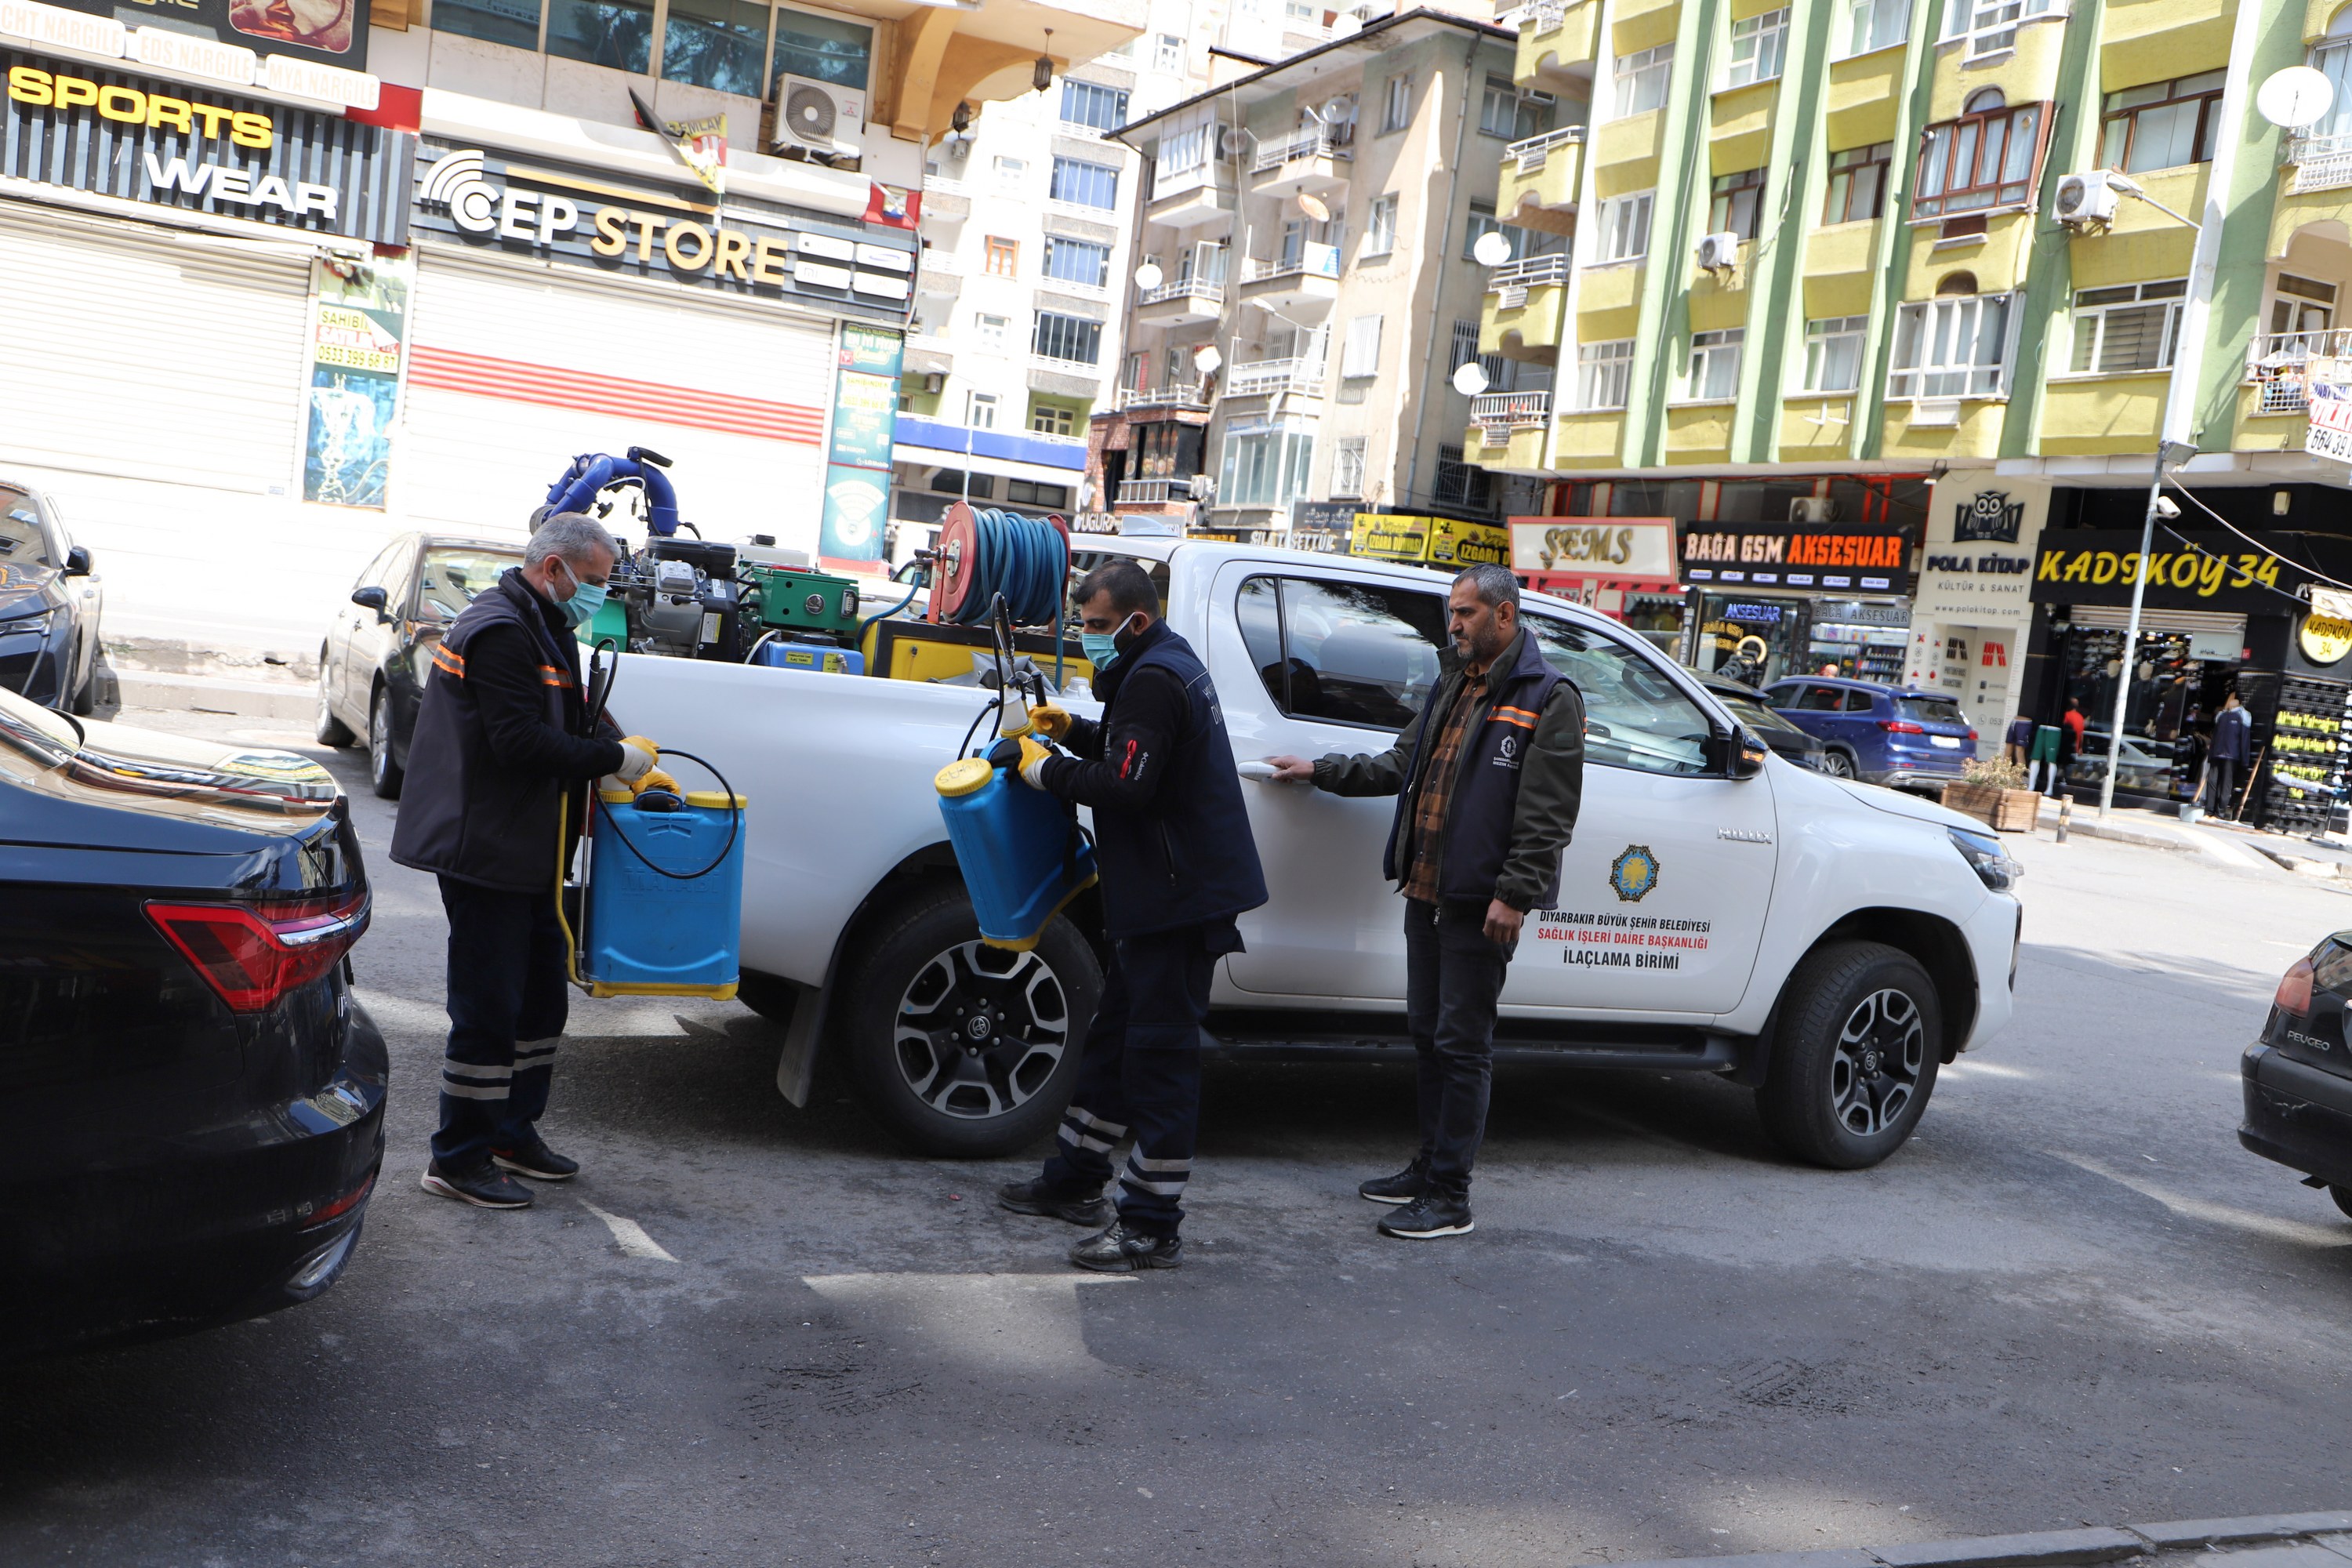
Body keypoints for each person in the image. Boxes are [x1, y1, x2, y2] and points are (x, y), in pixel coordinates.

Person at [1265, 564, 1584, 1240]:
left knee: (1463, 1047)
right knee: (1429, 1038)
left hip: (1479, 901)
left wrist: (1515, 895)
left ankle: (1450, 1196)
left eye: (1466, 613)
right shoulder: (1453, 682)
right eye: (1453, 612)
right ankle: (1429, 1166)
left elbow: (1549, 817)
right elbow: (1399, 765)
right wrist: (1320, 770)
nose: (1454, 624)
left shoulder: (1548, 696)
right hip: (1427, 890)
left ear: (1504, 615)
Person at [994, 559, 1268, 1272]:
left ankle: (1151, 1224)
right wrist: (1075, 729)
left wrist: (1045, 769)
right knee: (1115, 1041)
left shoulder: (1152, 677)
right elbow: (1138, 750)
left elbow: (1127, 783)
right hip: (1160, 897)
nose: (1089, 638)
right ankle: (1076, 1180)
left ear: (1136, 621)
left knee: (1159, 1061)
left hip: (1178, 903)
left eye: (1097, 626)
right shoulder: (1159, 660)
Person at [390, 514, 667, 1210]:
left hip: (528, 849)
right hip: (484, 850)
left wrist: (623, 755)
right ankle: (458, 1158)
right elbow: (519, 742)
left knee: (542, 999)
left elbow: (569, 713)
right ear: (553, 569)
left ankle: (512, 1133)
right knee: (489, 1009)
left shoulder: (544, 623)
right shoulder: (500, 631)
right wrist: (613, 758)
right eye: (593, 581)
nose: (597, 595)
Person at [2209, 690, 2252, 819]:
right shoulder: (2221, 715)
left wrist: (2244, 759)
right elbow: (2215, 736)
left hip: (2232, 754)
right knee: (2212, 781)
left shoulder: (2244, 715)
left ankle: (2220, 812)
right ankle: (2209, 810)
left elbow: (2245, 738)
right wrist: (2211, 754)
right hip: (2217, 753)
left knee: (2226, 783)